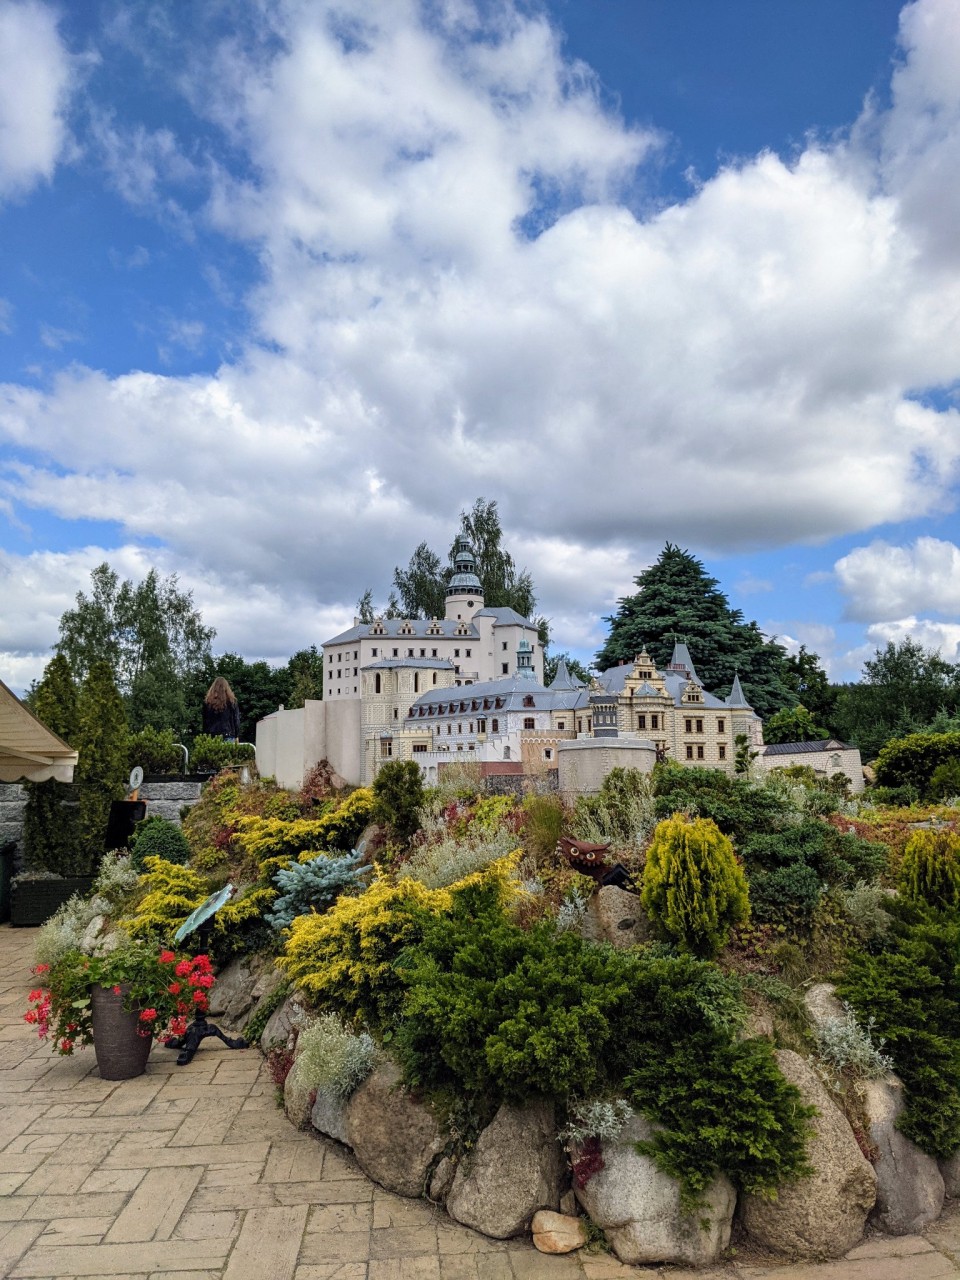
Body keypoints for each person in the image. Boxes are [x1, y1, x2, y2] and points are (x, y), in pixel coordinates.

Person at [202, 676, 241, 741]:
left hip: (212, 736)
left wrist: (205, 735)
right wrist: (237, 735)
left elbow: (205, 722)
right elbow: (236, 720)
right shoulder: (232, 702)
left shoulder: (208, 702)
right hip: (228, 734)